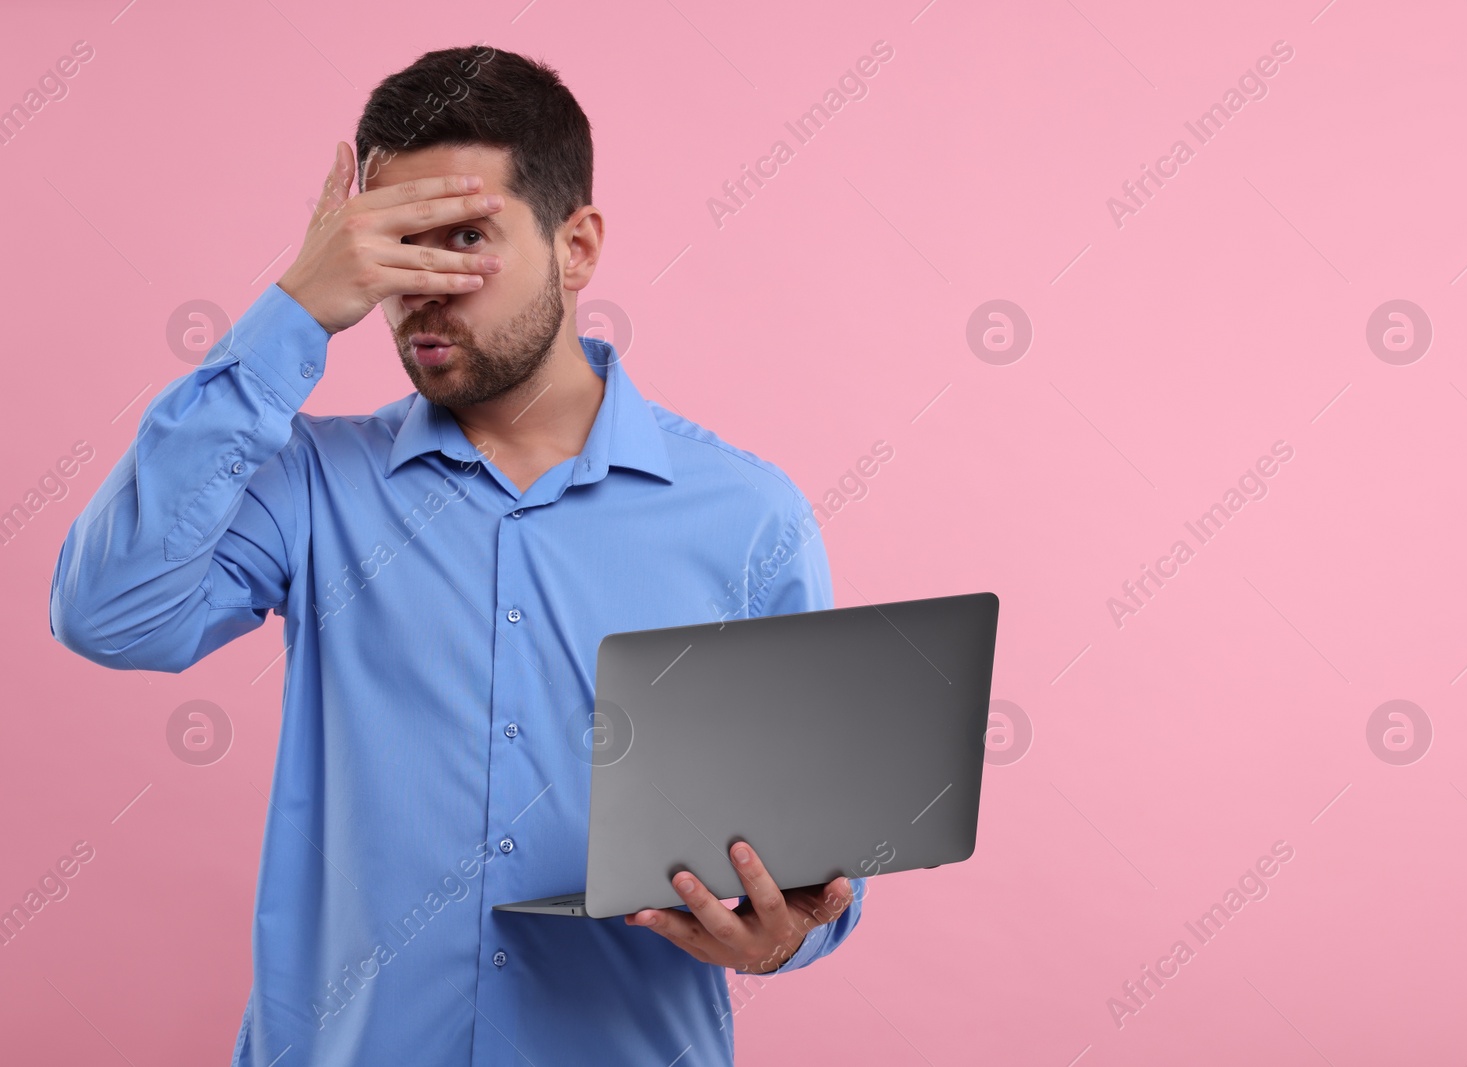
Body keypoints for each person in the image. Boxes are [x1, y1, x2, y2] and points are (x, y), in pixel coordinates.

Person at [48, 43, 864, 1067]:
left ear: (577, 247)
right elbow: (110, 612)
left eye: (465, 239)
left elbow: (818, 857)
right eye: (394, 245)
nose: (420, 288)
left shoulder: (746, 516)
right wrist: (293, 313)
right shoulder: (308, 484)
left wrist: (790, 928)